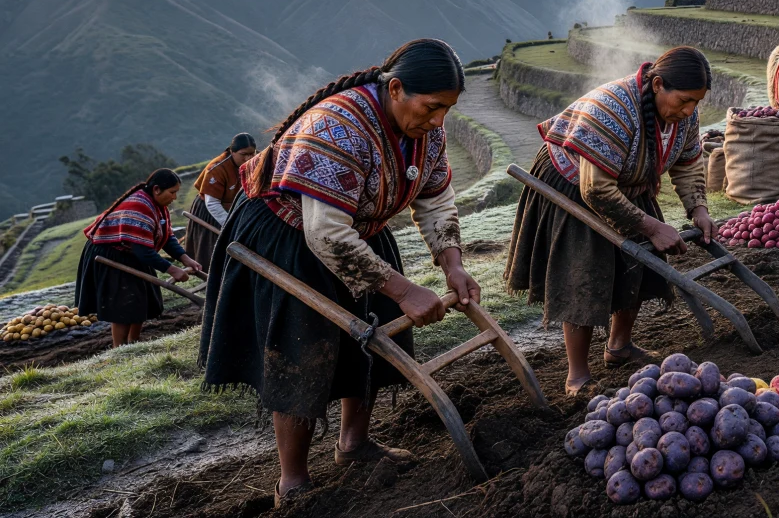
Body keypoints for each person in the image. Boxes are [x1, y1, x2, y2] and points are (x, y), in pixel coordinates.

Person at [198, 39, 481, 507]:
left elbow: (435, 198)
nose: (438, 121)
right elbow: (325, 235)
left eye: (447, 110)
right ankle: (292, 479)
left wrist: (452, 263)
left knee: (373, 331)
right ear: (395, 90)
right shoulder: (337, 127)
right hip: (290, 236)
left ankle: (353, 443)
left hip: (358, 231)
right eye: (432, 107)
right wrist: (405, 288)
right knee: (302, 347)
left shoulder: (428, 132)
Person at [506, 47, 717, 397]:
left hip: (626, 182)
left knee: (638, 261)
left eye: (696, 102)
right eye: (683, 100)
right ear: (658, 85)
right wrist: (651, 225)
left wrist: (699, 208)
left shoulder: (685, 116)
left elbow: (688, 161)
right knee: (584, 273)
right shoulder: (613, 110)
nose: (689, 110)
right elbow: (597, 190)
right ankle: (577, 375)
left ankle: (618, 347)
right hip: (576, 183)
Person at [75, 169, 203, 348]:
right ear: (157, 189)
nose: (174, 197)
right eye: (172, 192)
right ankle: (119, 349)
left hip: (133, 251)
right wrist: (172, 269)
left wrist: (185, 258)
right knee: (124, 305)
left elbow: (166, 236)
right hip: (110, 254)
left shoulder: (158, 207)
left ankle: (133, 343)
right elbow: (144, 252)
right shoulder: (139, 208)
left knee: (141, 300)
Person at [183, 133, 256, 265]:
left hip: (235, 207)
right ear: (232, 152)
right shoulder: (217, 168)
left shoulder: (256, 161)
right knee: (211, 251)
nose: (248, 158)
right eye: (243, 154)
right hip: (211, 210)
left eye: (251, 153)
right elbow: (212, 204)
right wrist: (229, 225)